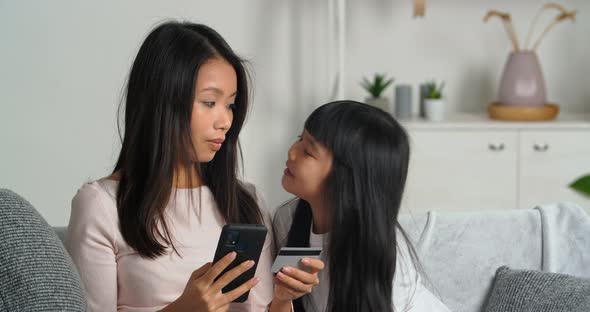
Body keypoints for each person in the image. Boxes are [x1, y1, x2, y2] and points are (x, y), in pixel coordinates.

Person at [65, 21, 323, 312]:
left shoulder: (246, 201)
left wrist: (282, 300)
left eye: (231, 105)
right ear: (162, 102)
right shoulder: (102, 206)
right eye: (210, 102)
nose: (225, 121)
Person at [273, 100, 452, 312]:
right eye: (299, 139)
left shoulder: (380, 250)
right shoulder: (288, 220)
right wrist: (282, 300)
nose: (292, 152)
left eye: (308, 152)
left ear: (347, 177)